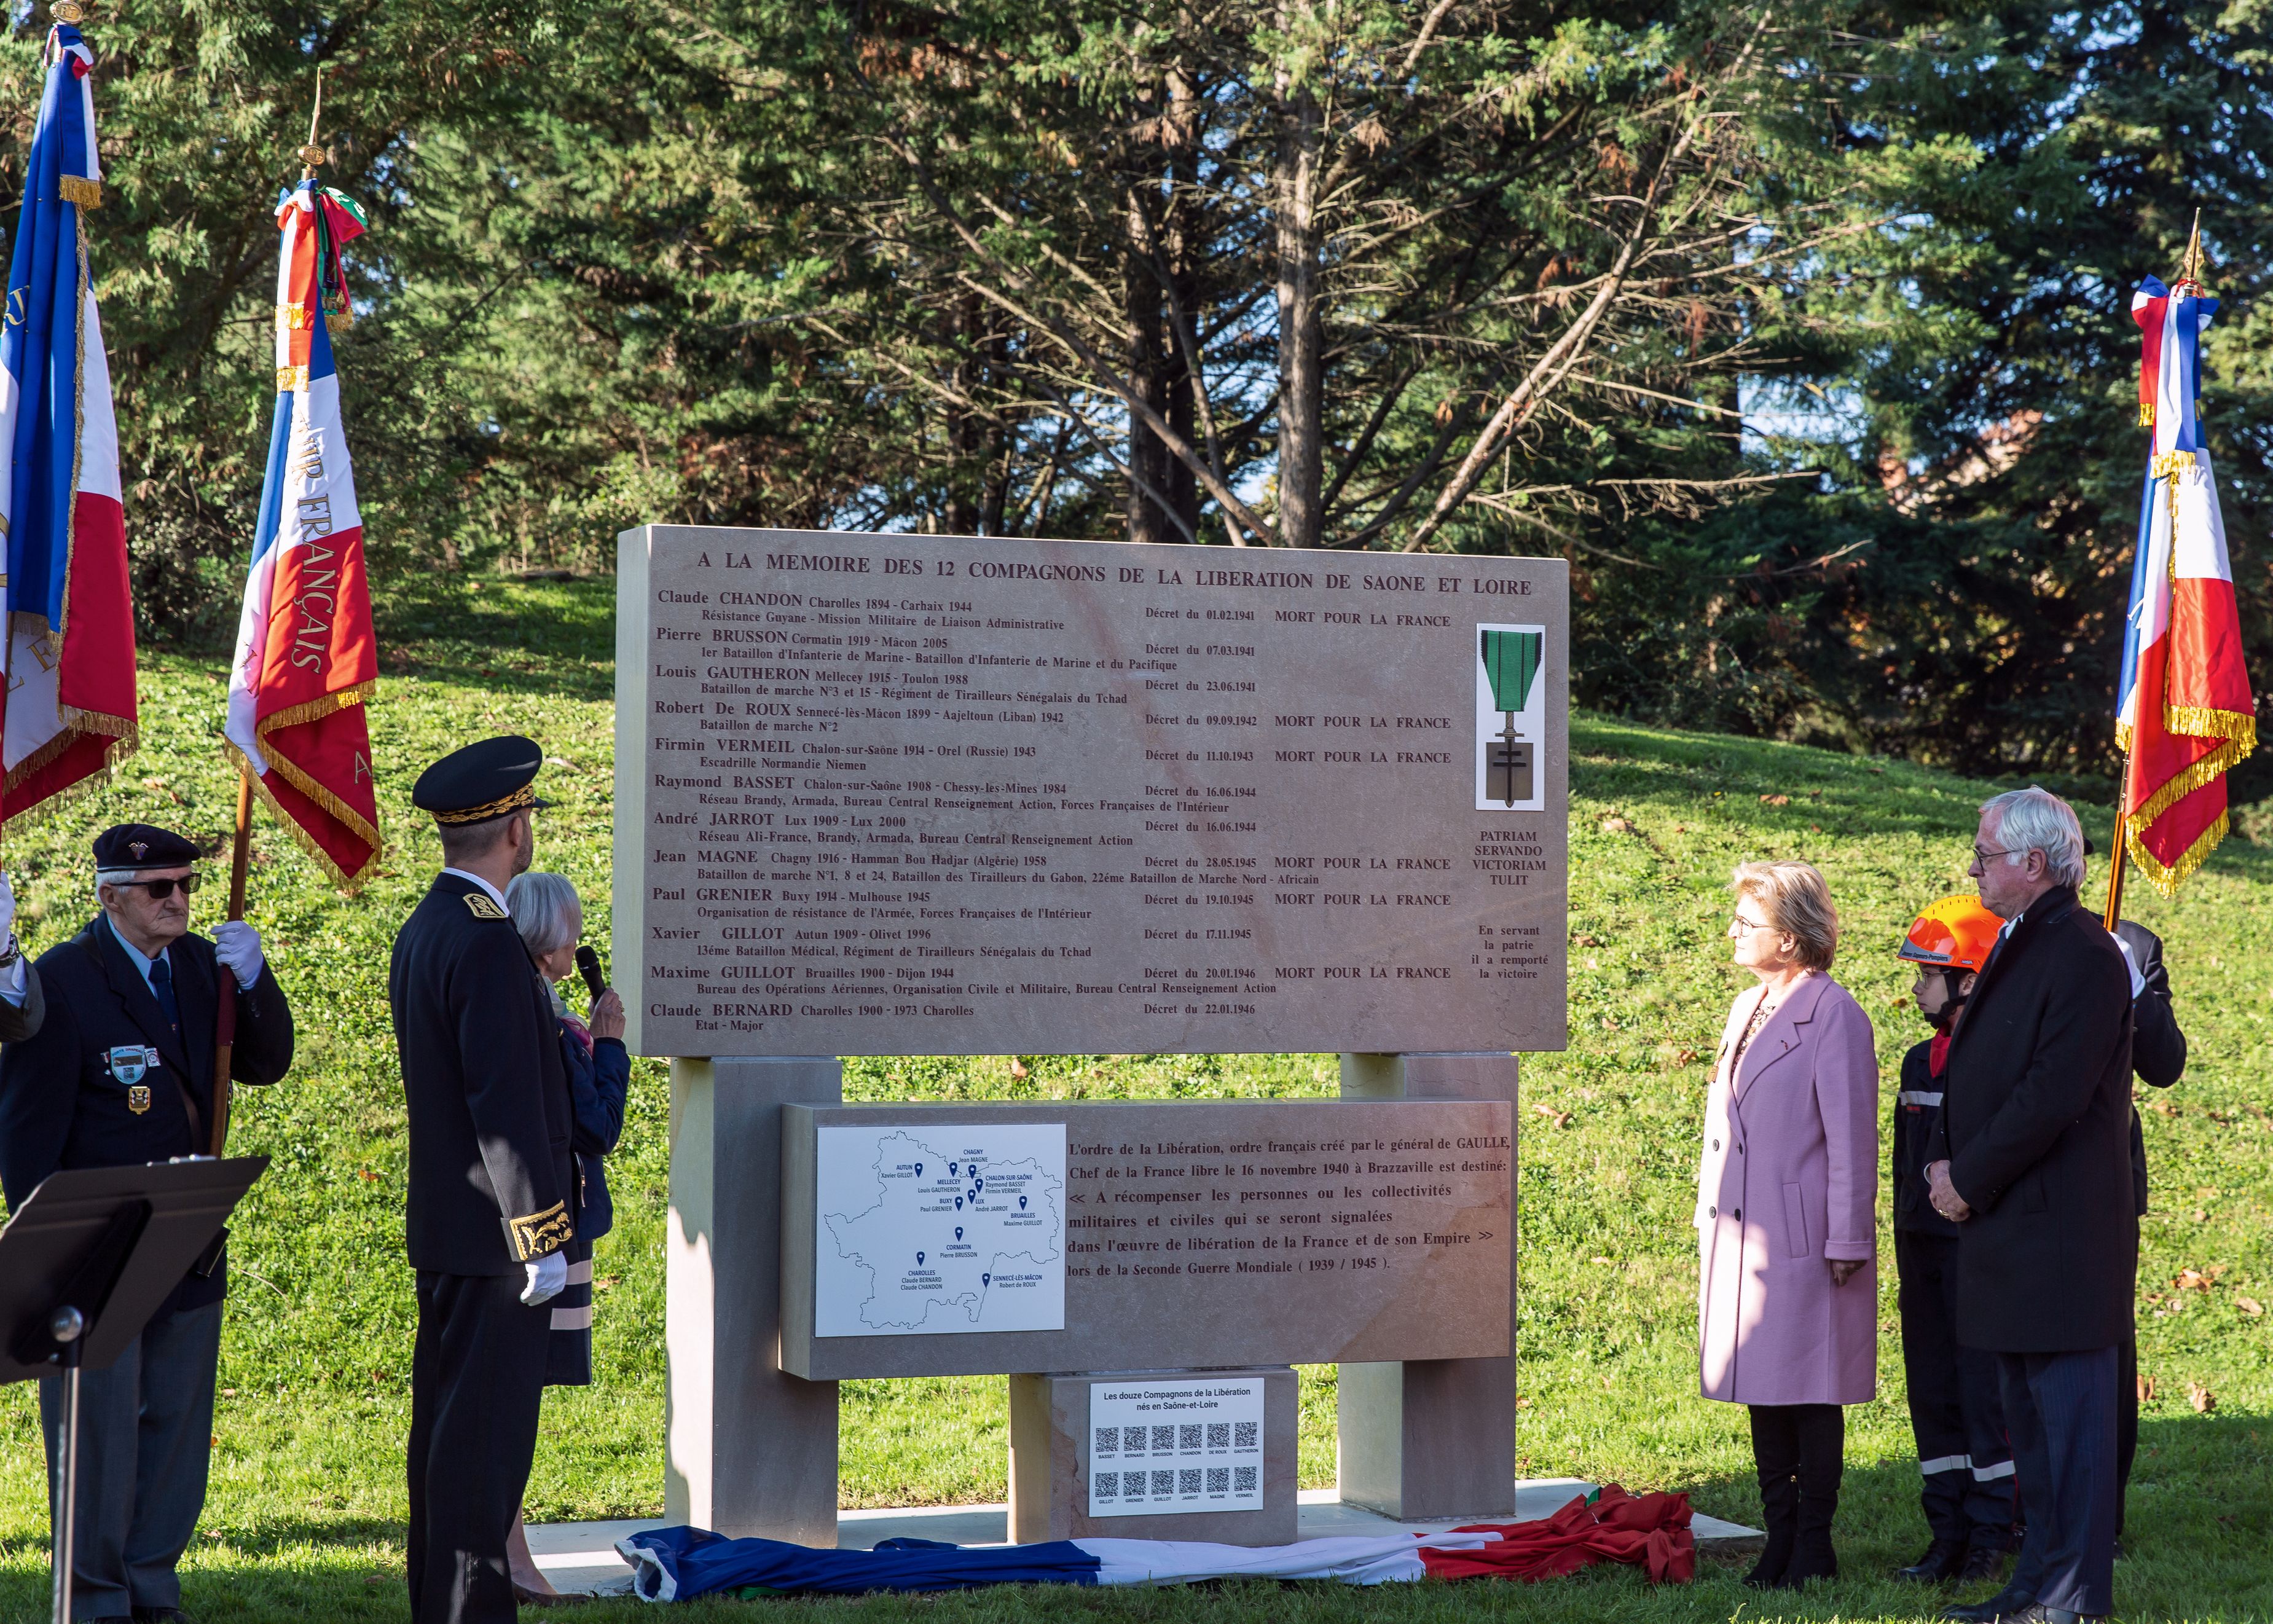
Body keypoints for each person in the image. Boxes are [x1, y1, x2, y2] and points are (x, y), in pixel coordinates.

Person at [0, 823, 292, 1624]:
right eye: (161, 888)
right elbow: (26, 1139)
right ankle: (96, 1600)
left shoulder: (203, 967)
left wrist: (258, 980)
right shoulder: (63, 982)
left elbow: (265, 1061)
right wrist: (47, 1258)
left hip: (187, 1243)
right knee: (97, 1439)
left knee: (173, 1432)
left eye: (187, 886)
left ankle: (152, 1588)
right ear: (110, 896)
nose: (179, 901)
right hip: (97, 1257)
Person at [1928, 786, 2134, 1624]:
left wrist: (1966, 1177)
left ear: (2033, 863)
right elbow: (1979, 1066)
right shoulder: (2021, 938)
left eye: (1983, 851)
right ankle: (2031, 1584)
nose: (1973, 863)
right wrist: (1943, 1153)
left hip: (2054, 1237)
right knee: (2033, 1439)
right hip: (2011, 1234)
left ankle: (2073, 1594)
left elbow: (2049, 1095)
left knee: (2070, 1434)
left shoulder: (2081, 952)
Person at [391, 738, 577, 1624]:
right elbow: (503, 1103)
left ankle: (441, 1602)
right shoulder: (490, 943)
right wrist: (541, 1235)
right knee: (484, 1445)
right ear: (514, 825)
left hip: (450, 1228)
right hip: (499, 1239)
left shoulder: (428, 926)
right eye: (528, 816)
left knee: (446, 1434)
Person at [1696, 858, 1878, 1590]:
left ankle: (1813, 1541)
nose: (1735, 931)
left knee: (1810, 1389)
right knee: (1764, 1388)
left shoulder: (1835, 1015)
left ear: (1794, 938)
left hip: (1806, 1239)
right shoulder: (1746, 1008)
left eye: (1750, 921)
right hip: (1746, 1234)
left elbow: (1851, 1139)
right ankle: (1778, 1537)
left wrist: (1846, 1239)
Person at [500, 870, 629, 1604]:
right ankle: (511, 1554)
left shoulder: (540, 1010)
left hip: (547, 1223)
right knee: (517, 1394)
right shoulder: (552, 1026)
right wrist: (608, 1045)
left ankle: (510, 1549)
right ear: (550, 941)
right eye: (572, 932)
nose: (578, 945)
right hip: (547, 1230)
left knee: (520, 1393)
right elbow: (597, 1128)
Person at [1890, 896, 2018, 1583]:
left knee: (1983, 1394)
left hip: (1980, 1254)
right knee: (1933, 1389)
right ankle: (1947, 1531)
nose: (1916, 988)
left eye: (1927, 975)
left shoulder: (2000, 1058)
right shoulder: (1918, 1061)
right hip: (1924, 1250)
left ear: (1970, 978)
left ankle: (1993, 1533)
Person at [2110, 913, 2185, 1551]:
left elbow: (2163, 1063)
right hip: (1998, 1177)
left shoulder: (2131, 943)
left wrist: (2129, 979)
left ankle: (2098, 1511)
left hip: (2099, 1188)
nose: (1975, 870)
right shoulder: (1991, 931)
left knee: (2103, 1353)